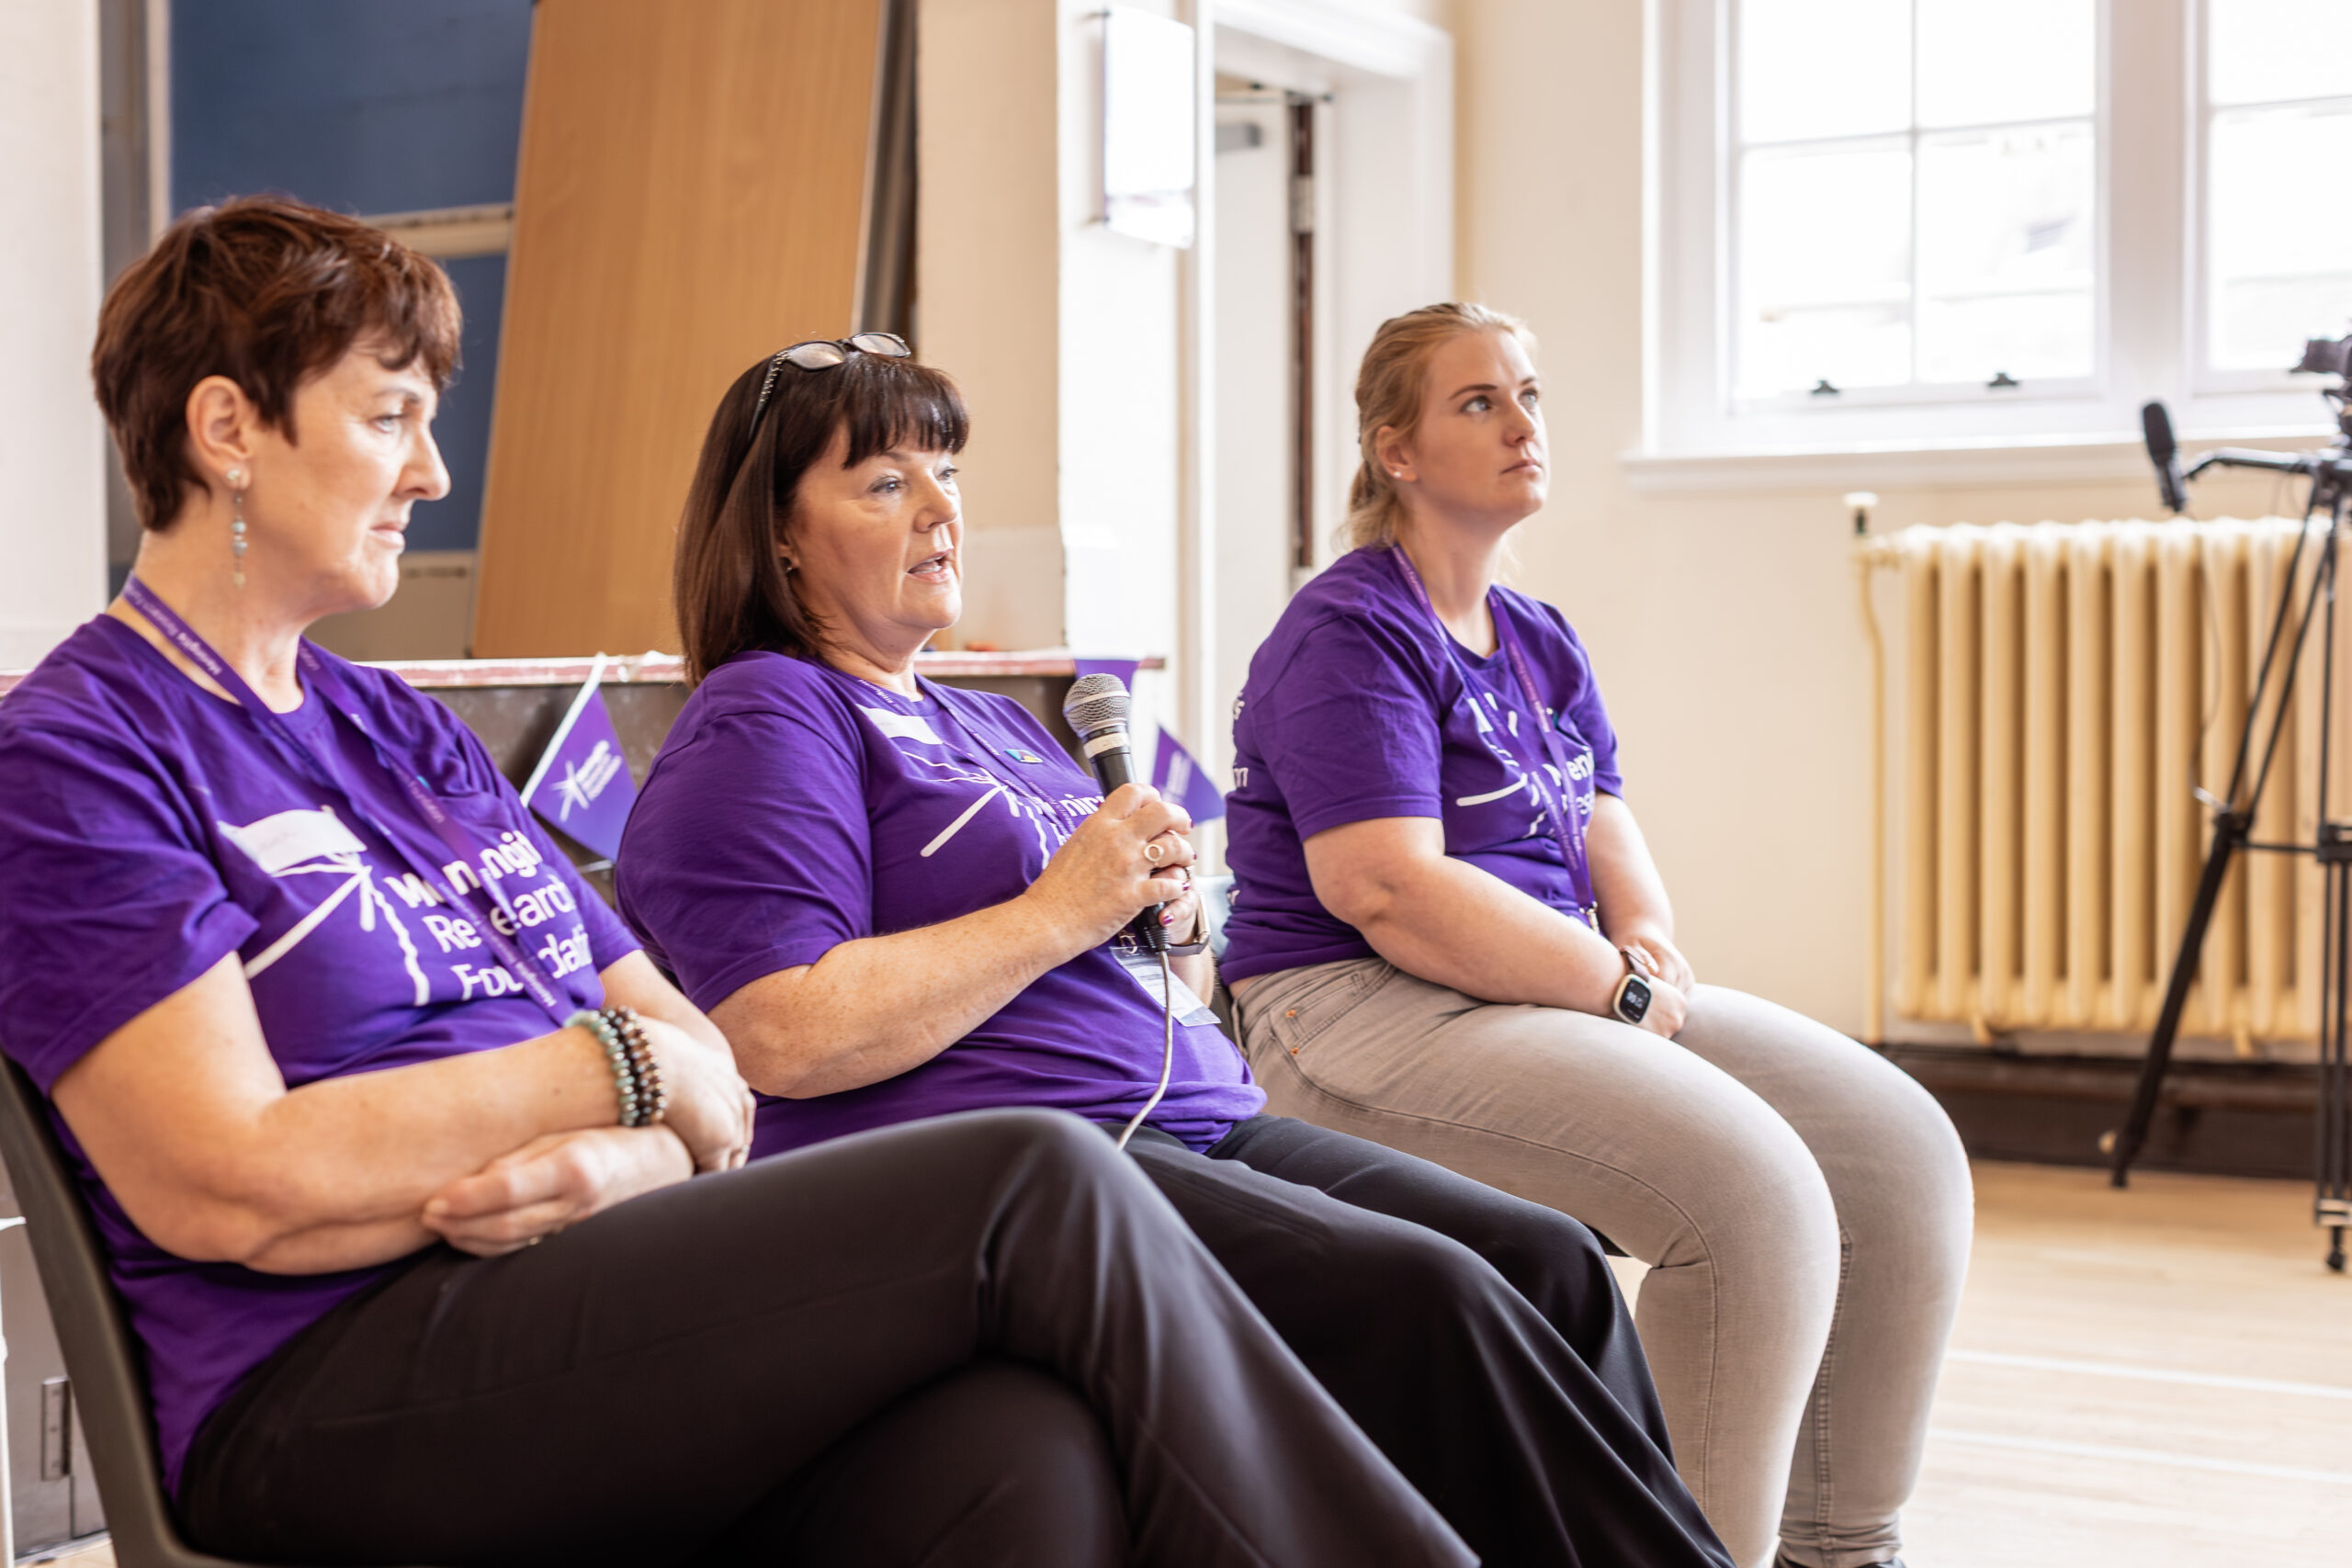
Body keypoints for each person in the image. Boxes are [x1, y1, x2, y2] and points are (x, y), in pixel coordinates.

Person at [0, 196, 1485, 1568]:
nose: (434, 471)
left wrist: (624, 1142)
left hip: (577, 1270)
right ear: (225, 431)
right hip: (319, 1376)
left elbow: (702, 1070)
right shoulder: (76, 754)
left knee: (1020, 1456)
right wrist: (615, 1082)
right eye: (390, 416)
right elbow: (230, 1179)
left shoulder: (401, 733)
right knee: (1037, 1180)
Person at [617, 333, 1736, 1568]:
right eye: (885, 482)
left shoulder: (993, 721)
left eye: (945, 473)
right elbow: (783, 1031)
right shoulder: (769, 716)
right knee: (1437, 1302)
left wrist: (1172, 921)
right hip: (1025, 1170)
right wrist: (1063, 909)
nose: (940, 510)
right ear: (778, 535)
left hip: (1200, 1115)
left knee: (1550, 1259)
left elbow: (1152, 975)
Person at [1216, 301, 1975, 1568]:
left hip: (1544, 985)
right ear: (1395, 452)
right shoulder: (1348, 632)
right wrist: (1618, 994)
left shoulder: (1538, 635)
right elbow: (1386, 890)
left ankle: (1842, 1552)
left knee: (1899, 1159)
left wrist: (1649, 943)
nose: (1523, 425)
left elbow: (1600, 812)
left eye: (1530, 394)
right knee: (1750, 1198)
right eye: (1479, 403)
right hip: (1353, 1007)